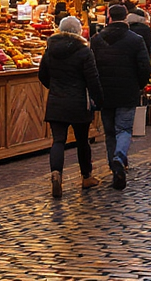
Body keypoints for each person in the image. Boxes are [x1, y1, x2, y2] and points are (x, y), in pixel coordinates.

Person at [38, 16, 104, 198]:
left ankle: (56, 173)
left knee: (58, 140)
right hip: (78, 103)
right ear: (78, 31)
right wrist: (98, 100)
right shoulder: (84, 51)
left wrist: (54, 89)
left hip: (56, 102)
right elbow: (93, 78)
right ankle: (86, 176)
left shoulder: (50, 50)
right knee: (82, 141)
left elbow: (42, 74)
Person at [90, 4, 151, 190]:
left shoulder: (97, 40)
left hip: (105, 92)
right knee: (124, 129)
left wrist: (95, 89)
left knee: (109, 132)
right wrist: (138, 86)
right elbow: (145, 68)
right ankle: (119, 158)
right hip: (127, 91)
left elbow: (91, 67)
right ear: (126, 17)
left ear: (109, 17)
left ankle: (114, 167)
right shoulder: (135, 40)